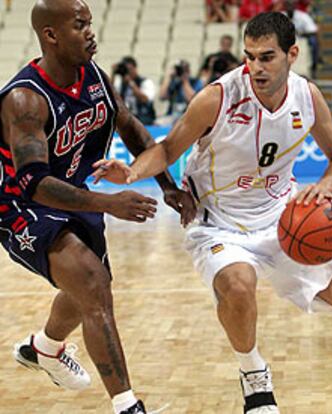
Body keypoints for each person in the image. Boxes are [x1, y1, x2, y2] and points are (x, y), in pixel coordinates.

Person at [93, 11, 332, 414]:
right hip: (218, 222)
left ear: (292, 54)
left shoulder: (307, 96)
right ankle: (253, 372)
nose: (255, 67)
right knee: (239, 286)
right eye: (250, 56)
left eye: (267, 57)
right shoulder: (218, 96)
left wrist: (325, 188)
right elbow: (167, 149)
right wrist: (132, 172)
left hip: (285, 216)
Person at [0, 1, 195, 414]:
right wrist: (111, 202)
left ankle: (45, 348)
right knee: (92, 282)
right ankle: (128, 406)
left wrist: (167, 185)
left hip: (70, 189)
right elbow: (33, 182)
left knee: (93, 282)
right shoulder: (24, 100)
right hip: (20, 203)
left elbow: (128, 125)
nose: (91, 31)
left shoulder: (94, 77)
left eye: (90, 22)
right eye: (80, 24)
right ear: (51, 35)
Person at [111, 56, 156, 126]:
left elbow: (145, 99)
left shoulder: (146, 82)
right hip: (125, 118)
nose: (128, 72)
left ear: (135, 68)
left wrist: (130, 82)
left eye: (129, 69)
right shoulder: (120, 83)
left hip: (144, 118)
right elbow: (109, 92)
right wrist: (113, 73)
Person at [158, 59, 203, 124]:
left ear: (189, 71)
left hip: (189, 115)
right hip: (173, 115)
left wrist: (185, 81)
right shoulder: (174, 82)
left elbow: (193, 100)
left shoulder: (195, 82)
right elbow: (162, 96)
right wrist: (168, 77)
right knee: (157, 123)